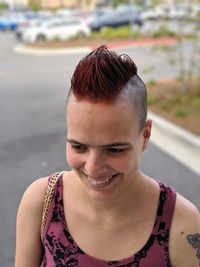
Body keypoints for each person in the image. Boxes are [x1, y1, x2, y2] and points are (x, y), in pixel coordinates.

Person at [15, 45, 200, 267]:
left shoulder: (181, 224)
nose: (93, 168)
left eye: (114, 150)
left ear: (146, 135)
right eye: (79, 147)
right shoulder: (41, 201)